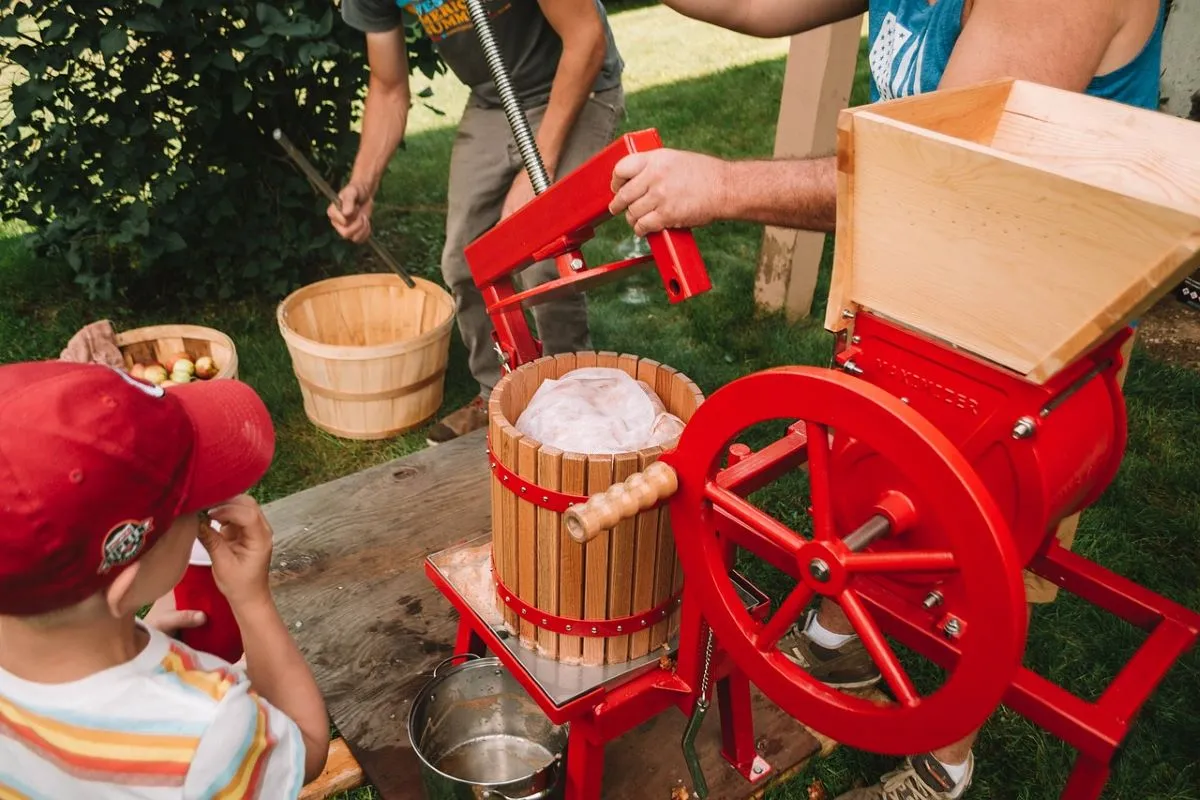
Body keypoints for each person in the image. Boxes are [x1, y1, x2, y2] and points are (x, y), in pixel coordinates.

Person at [608, 0, 1166, 798]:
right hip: (919, 303)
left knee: (983, 543)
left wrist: (721, 183)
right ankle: (840, 639)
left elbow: (935, 178)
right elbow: (758, 4)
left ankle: (943, 765)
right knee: (874, 480)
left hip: (1025, 337)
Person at [0, 362, 329, 797]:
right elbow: (305, 748)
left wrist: (131, 635)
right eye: (189, 509)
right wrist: (252, 601)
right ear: (125, 585)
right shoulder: (205, 726)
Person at [331, 0, 627, 446]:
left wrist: (536, 169)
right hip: (494, 102)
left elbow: (585, 38)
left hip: (577, 81)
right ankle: (497, 394)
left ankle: (575, 409)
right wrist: (362, 184)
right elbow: (389, 86)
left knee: (543, 256)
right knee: (464, 261)